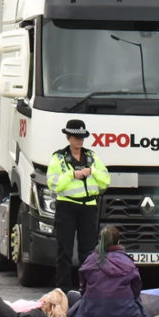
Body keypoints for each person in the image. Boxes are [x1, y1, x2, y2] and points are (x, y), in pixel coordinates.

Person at [46, 119, 111, 291]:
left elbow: (105, 181)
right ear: (68, 137)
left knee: (89, 252)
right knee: (64, 251)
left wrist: (92, 171)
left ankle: (88, 289)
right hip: (66, 207)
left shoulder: (91, 156)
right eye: (76, 137)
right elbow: (54, 184)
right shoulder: (58, 158)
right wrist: (72, 175)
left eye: (82, 137)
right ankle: (63, 290)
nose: (80, 141)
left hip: (88, 207)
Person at [67, 225, 153, 317]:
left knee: (71, 295)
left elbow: (83, 290)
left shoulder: (90, 260)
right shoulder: (127, 261)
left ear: (100, 241)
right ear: (118, 242)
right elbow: (136, 290)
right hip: (126, 315)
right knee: (137, 299)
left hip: (92, 316)